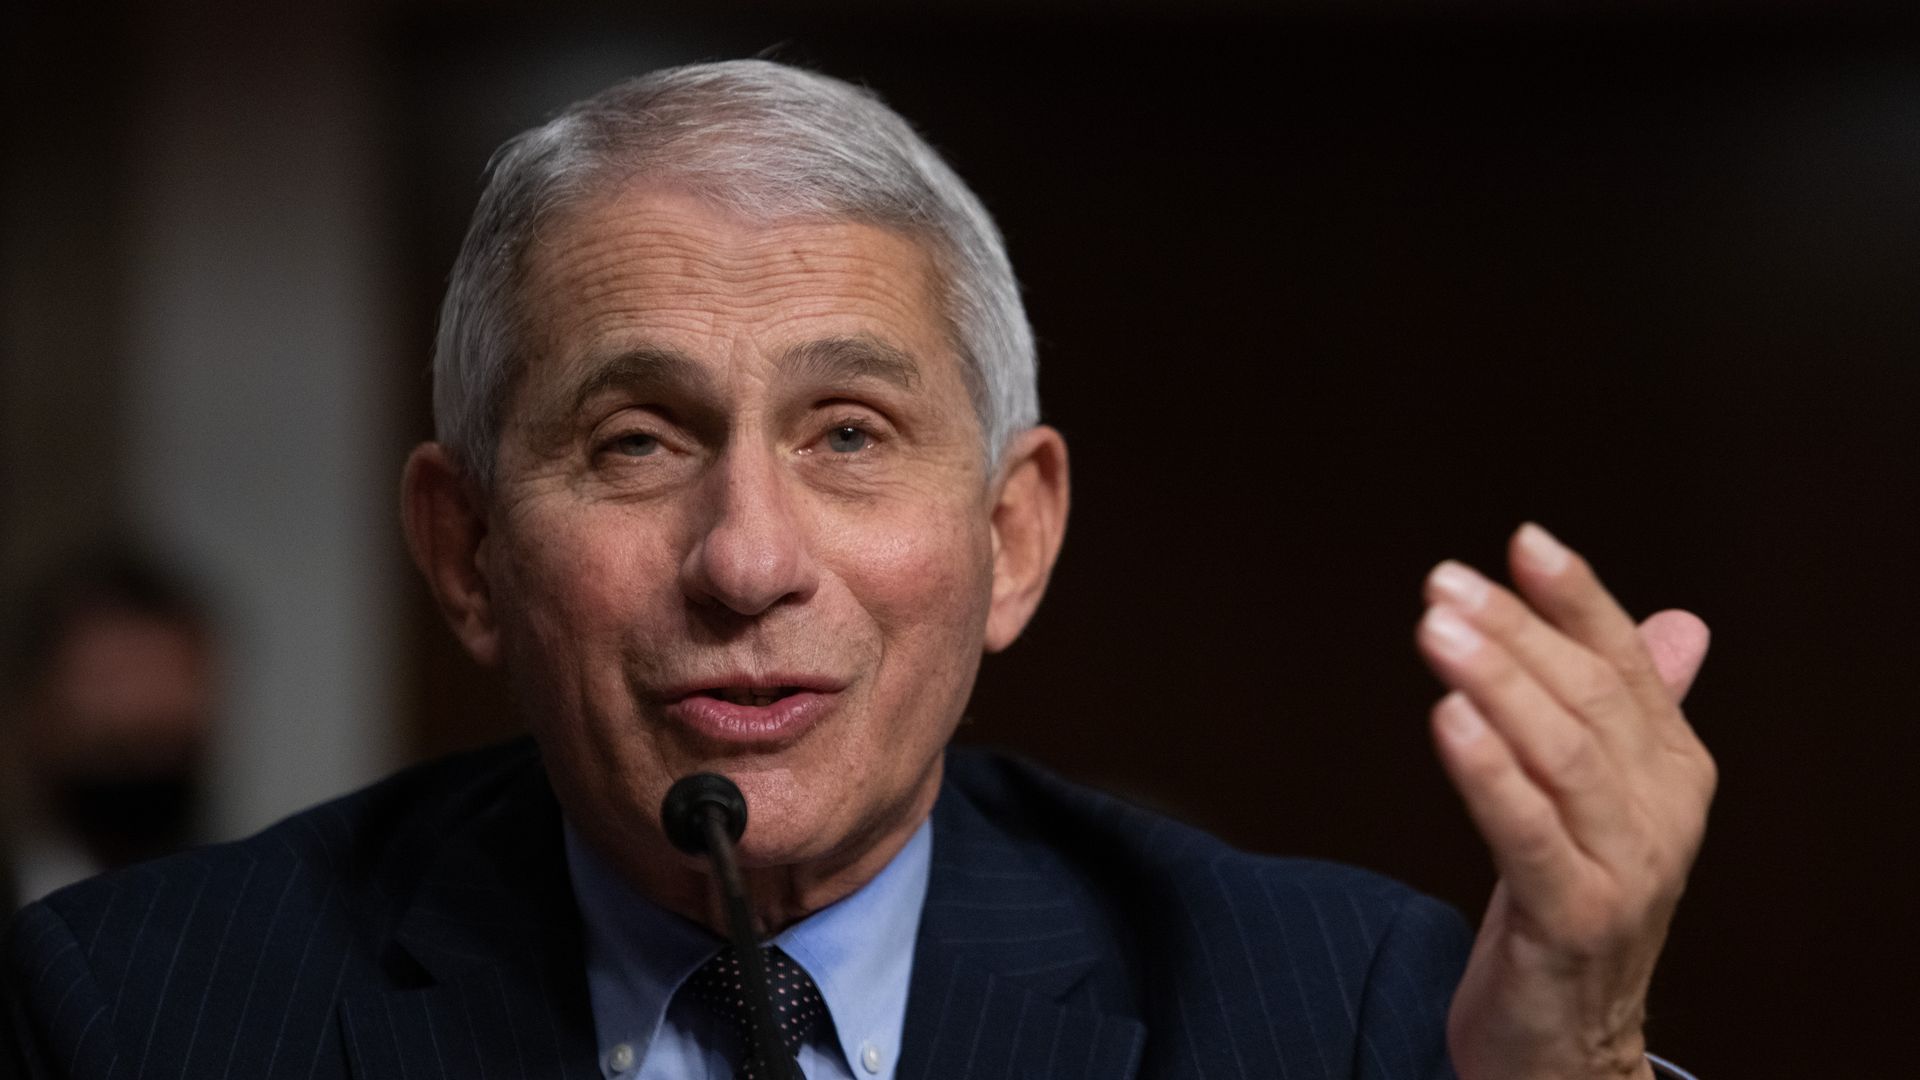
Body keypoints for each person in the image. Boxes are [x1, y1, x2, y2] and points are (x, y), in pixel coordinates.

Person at [1, 60, 1715, 1079]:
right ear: (464, 553)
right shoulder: (139, 1019)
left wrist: (1576, 1059)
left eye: (847, 434)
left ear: (1011, 536)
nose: (747, 559)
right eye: (637, 442)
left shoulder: (1345, 1015)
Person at [0, 550, 217, 916]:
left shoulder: (239, 910)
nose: (135, 713)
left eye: (162, 683)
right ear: (37, 708)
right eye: (109, 684)